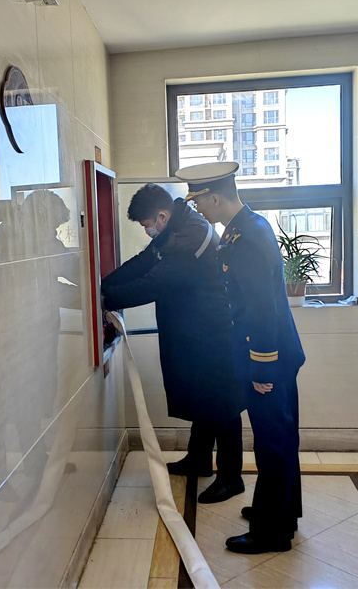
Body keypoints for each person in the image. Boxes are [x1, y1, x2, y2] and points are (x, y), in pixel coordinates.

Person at [176, 161, 305, 554]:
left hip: (268, 358)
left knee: (272, 443)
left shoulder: (246, 238)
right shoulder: (244, 229)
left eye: (199, 201)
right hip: (272, 354)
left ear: (215, 198)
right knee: (280, 438)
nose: (198, 208)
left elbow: (262, 309)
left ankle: (272, 533)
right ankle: (281, 512)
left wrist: (262, 366)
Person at [101, 183, 246, 503]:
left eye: (147, 225)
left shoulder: (190, 236)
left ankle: (231, 478)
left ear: (162, 216)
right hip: (195, 331)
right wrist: (104, 285)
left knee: (223, 405)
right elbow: (143, 262)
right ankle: (199, 460)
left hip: (214, 333)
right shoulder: (177, 227)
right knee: (203, 399)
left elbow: (155, 283)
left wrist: (107, 299)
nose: (147, 231)